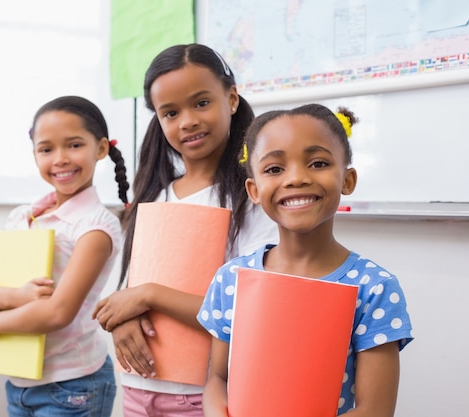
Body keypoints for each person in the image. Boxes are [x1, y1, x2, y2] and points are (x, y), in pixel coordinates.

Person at [92, 43, 278, 416]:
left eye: (201, 103)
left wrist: (150, 296)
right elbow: (124, 292)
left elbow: (249, 312)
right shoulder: (154, 195)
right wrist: (123, 316)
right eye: (171, 112)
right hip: (137, 388)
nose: (187, 121)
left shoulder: (253, 198)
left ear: (232, 97)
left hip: (205, 395)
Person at [198, 103, 414, 417]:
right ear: (254, 189)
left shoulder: (374, 288)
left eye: (318, 163)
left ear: (347, 180)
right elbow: (218, 379)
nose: (297, 178)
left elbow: (375, 410)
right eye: (274, 169)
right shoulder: (231, 278)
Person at [0, 95, 129, 417]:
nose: (61, 158)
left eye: (74, 145)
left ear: (102, 149)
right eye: (46, 149)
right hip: (20, 381)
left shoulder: (96, 226)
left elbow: (58, 313)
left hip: (73, 385)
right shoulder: (23, 217)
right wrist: (17, 295)